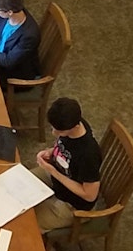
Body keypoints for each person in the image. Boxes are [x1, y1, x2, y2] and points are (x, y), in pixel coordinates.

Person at [33, 98, 102, 243]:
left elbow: (89, 195)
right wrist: (52, 152)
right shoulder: (74, 122)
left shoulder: (89, 154)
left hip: (73, 204)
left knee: (30, 223)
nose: (53, 133)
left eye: (58, 130)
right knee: (19, 184)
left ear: (74, 127)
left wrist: (53, 171)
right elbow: (66, 148)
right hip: (58, 175)